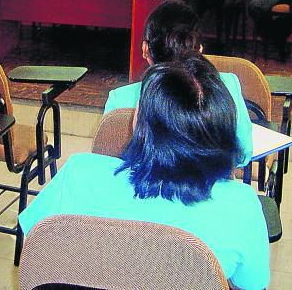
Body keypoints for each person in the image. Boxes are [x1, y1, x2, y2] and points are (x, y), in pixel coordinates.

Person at [19, 54, 270, 290]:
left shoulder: (77, 174)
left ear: (139, 121)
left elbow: (36, 250)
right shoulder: (242, 206)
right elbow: (252, 284)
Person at [104, 0, 252, 166]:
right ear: (200, 50)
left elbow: (107, 157)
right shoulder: (228, 85)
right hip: (212, 187)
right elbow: (243, 153)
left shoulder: (118, 98)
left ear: (145, 49)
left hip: (140, 186)